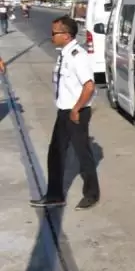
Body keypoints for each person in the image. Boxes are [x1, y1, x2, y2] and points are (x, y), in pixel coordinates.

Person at [29, 16, 100, 210]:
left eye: (54, 33)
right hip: (64, 111)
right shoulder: (65, 54)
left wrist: (76, 109)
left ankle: (91, 194)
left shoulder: (78, 56)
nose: (51, 36)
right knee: (56, 154)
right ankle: (54, 195)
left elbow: (89, 86)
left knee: (82, 154)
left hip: (76, 112)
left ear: (66, 36)